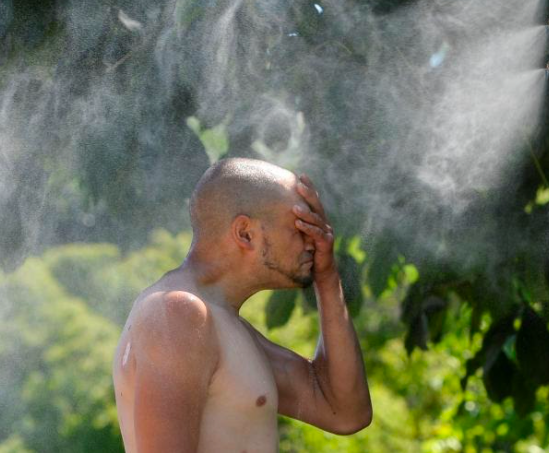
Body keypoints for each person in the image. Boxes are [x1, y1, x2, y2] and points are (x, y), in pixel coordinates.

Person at [112, 157, 372, 452]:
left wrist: (326, 277)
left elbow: (345, 411)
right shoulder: (179, 313)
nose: (313, 242)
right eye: (300, 227)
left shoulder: (221, 325)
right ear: (245, 233)